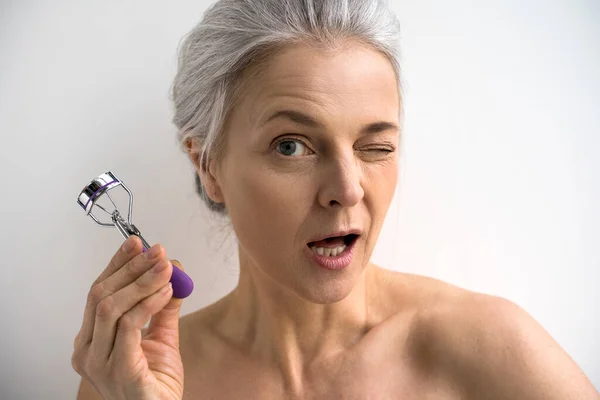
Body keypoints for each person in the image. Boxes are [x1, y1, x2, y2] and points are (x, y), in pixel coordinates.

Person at [71, 0, 599, 398]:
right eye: (292, 146)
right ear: (208, 165)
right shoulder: (130, 375)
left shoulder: (493, 348)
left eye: (376, 147)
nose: (348, 189)